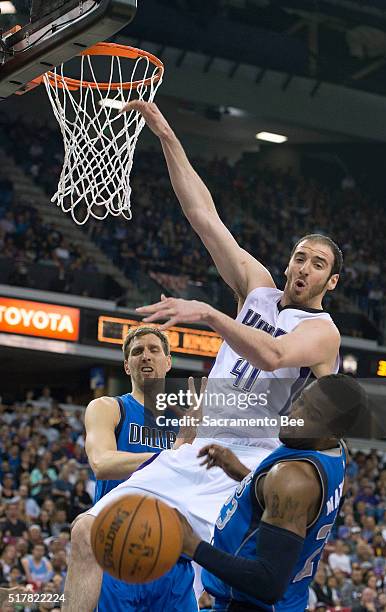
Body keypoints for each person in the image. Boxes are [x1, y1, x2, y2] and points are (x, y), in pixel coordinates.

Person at [64, 102, 343, 612]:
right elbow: (203, 216)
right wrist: (167, 134)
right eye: (300, 256)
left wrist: (210, 314)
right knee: (87, 531)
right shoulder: (257, 289)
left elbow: (274, 353)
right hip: (194, 452)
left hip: (249, 466)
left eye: (317, 264)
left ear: (331, 281)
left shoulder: (322, 332)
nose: (304, 267)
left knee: (209, 584)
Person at [178, 375, 367, 611]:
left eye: (312, 415)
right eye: (301, 400)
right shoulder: (336, 452)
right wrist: (245, 474)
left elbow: (267, 584)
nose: (295, 415)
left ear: (331, 432)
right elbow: (294, 505)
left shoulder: (293, 479)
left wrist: (192, 545)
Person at [64, 326, 205, 612]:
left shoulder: (189, 422)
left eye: (154, 350)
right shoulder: (108, 407)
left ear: (168, 362)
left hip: (174, 559)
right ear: (127, 366)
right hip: (120, 552)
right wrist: (173, 456)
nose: (146, 356)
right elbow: (102, 463)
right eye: (137, 352)